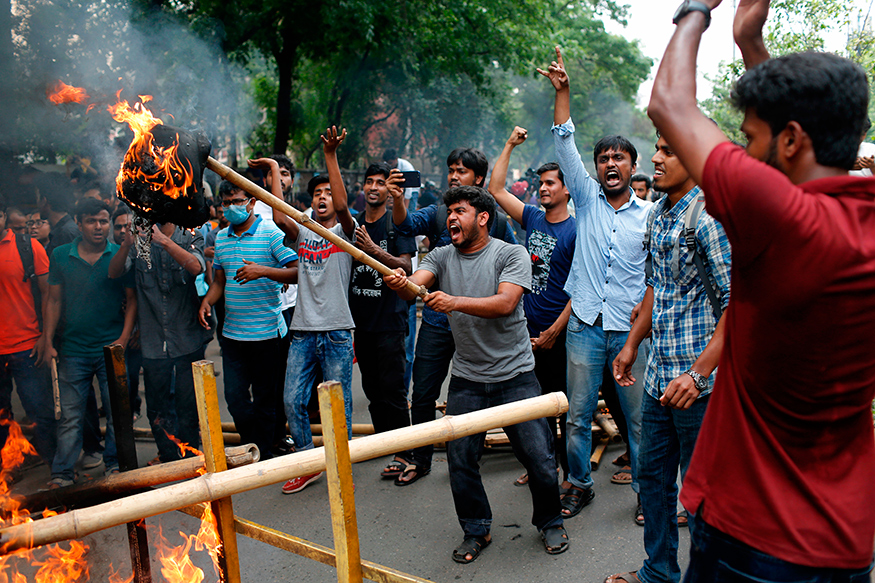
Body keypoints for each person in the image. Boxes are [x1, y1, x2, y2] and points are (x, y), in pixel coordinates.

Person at [646, 0, 875, 580]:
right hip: (847, 537)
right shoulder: (860, 218)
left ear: (793, 140)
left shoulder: (780, 222)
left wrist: (697, 9)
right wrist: (750, 41)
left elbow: (669, 105)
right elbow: (808, 150)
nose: (743, 151)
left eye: (749, 137)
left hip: (755, 539)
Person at [385, 185, 568, 562]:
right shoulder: (440, 256)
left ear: (483, 218)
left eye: (460, 211)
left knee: (539, 457)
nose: (451, 217)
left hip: (516, 375)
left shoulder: (511, 253)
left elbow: (505, 303)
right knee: (461, 459)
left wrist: (453, 301)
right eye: (449, 211)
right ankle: (476, 529)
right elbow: (413, 288)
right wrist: (402, 283)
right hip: (468, 377)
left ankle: (550, 520)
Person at [606, 132, 731, 583]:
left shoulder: (710, 217)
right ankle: (659, 571)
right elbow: (657, 287)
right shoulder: (658, 214)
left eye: (668, 151)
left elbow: (740, 305)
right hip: (660, 378)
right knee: (655, 484)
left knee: (702, 498)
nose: (655, 159)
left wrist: (698, 377)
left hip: (699, 389)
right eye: (657, 149)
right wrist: (632, 345)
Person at [538, 46, 651, 519]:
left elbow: (655, 280)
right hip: (584, 325)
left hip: (630, 331)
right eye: (603, 157)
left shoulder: (651, 217)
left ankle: (651, 494)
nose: (610, 164)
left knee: (641, 422)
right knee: (578, 417)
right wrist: (563, 93)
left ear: (631, 165)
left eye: (619, 158)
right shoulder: (584, 196)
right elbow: (564, 139)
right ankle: (579, 483)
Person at [391, 147, 517, 485]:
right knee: (423, 392)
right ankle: (420, 458)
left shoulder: (498, 221)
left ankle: (471, 456)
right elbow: (404, 223)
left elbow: (510, 272)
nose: (453, 175)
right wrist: (398, 198)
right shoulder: (438, 214)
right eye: (450, 169)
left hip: (479, 323)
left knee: (490, 392)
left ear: (478, 178)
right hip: (436, 321)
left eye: (461, 170)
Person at [488, 126, 576, 490]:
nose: (543, 188)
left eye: (551, 183)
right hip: (526, 332)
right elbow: (495, 190)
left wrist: (556, 329)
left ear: (567, 189)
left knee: (564, 407)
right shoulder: (534, 219)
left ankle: (572, 474)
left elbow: (583, 289)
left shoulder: (577, 229)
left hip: (560, 334)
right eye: (541, 183)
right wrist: (508, 144)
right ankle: (544, 466)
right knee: (534, 406)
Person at [271, 127, 357, 495]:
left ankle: (340, 463)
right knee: (293, 399)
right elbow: (279, 218)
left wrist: (330, 156)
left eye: (327, 194)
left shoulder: (345, 232)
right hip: (303, 331)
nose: (323, 199)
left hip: (337, 330)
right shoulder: (304, 233)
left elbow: (342, 205)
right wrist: (274, 174)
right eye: (317, 194)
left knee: (338, 407)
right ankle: (307, 461)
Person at [198, 178, 297, 465]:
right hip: (232, 335)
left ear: (252, 202)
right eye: (226, 203)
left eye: (237, 201)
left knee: (267, 399)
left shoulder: (270, 232)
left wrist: (263, 271)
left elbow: (297, 271)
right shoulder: (221, 237)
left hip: (267, 333)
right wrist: (207, 300)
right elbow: (219, 280)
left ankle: (263, 455)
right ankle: (252, 444)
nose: (230, 208)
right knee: (236, 399)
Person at [42, 198, 137, 486]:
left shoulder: (119, 255)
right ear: (78, 223)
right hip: (73, 350)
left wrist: (123, 337)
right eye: (92, 221)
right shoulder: (60, 255)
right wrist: (47, 341)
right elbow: (53, 300)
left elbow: (132, 301)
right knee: (70, 416)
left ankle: (114, 464)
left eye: (103, 221)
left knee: (117, 412)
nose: (99, 227)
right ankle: (62, 473)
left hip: (111, 348)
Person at [109, 215, 210, 463]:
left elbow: (197, 267)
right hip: (153, 338)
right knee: (157, 406)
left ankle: (191, 456)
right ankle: (167, 455)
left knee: (188, 404)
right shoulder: (141, 240)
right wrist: (127, 244)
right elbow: (114, 273)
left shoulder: (189, 233)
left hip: (186, 335)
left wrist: (163, 241)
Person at [347, 163, 416, 479]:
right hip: (361, 323)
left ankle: (405, 451)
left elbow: (407, 267)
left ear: (390, 190)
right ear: (362, 188)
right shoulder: (353, 224)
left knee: (392, 388)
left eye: (380, 182)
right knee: (372, 387)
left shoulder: (396, 224)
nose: (374, 187)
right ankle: (385, 441)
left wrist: (373, 250)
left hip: (390, 320)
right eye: (369, 182)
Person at [0, 195, 57, 467]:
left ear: (3, 218)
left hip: (26, 346)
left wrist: (46, 339)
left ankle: (52, 465)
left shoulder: (28, 247)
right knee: (1, 415)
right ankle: (7, 468)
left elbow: (49, 295)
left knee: (39, 411)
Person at [111, 207, 143, 422]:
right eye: (118, 227)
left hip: (139, 328)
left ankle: (133, 407)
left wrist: (139, 328)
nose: (123, 231)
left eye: (128, 226)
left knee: (131, 375)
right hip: (114, 327)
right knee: (117, 378)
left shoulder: (144, 251)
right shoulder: (111, 252)